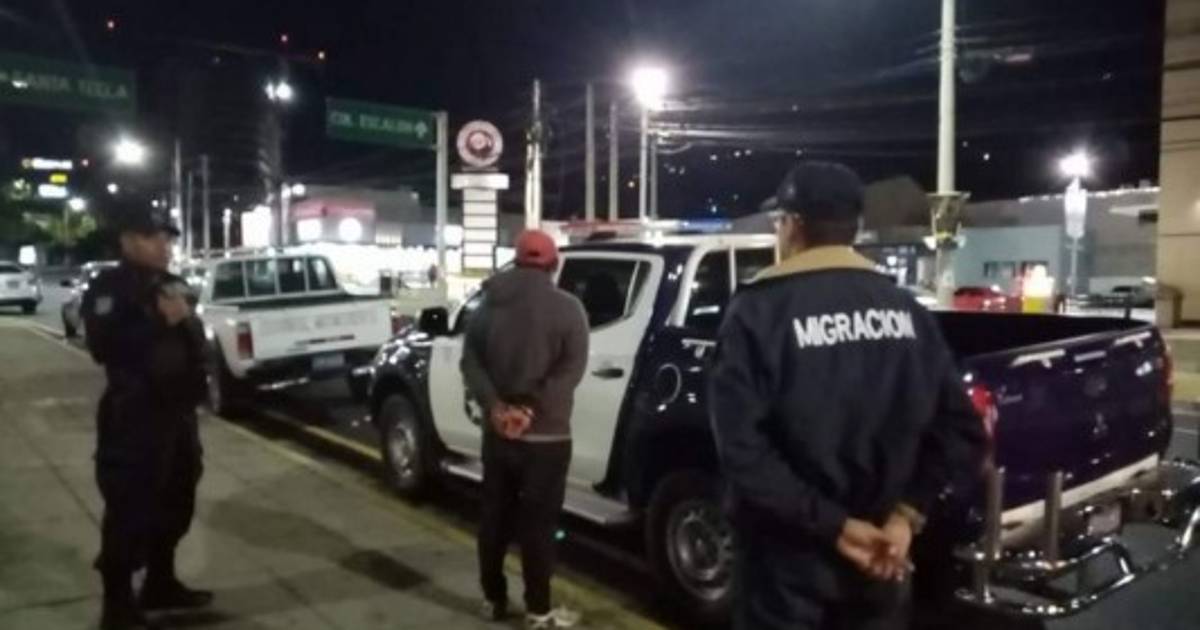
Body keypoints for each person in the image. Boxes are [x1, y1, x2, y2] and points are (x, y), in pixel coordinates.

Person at [709, 162, 986, 630]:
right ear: (854, 227)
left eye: (780, 222)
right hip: (882, 558)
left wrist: (833, 526)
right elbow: (963, 433)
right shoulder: (907, 310)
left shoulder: (757, 312)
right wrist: (905, 516)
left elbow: (742, 452)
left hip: (786, 567)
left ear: (793, 225)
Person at [83, 201, 213, 630]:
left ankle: (161, 582)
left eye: (167, 238)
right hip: (134, 415)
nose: (163, 245)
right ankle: (117, 606)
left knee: (177, 500)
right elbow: (104, 347)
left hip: (177, 415)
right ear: (127, 241)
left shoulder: (173, 284)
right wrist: (159, 319)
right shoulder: (110, 287)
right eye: (152, 237)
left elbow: (192, 340)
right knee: (129, 508)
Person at [461, 229, 590, 629]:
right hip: (547, 438)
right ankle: (538, 610)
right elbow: (571, 369)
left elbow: (470, 362)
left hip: (498, 435)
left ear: (515, 261)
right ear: (553, 265)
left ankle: (493, 599)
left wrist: (497, 408)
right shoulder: (569, 309)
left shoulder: (487, 304)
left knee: (494, 518)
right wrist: (530, 410)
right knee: (538, 525)